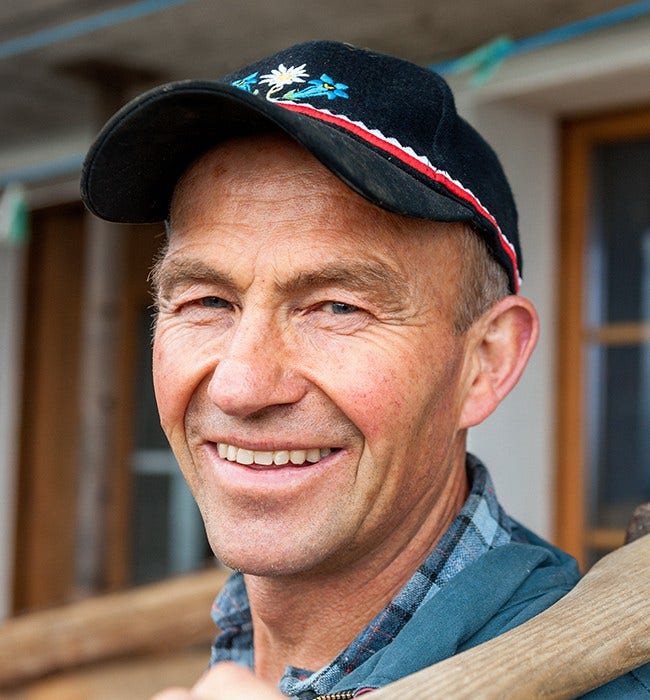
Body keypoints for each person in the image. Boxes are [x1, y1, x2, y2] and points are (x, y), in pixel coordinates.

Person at [81, 41, 650, 699]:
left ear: (486, 361)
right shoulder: (239, 654)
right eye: (207, 301)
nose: (241, 385)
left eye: (336, 307)